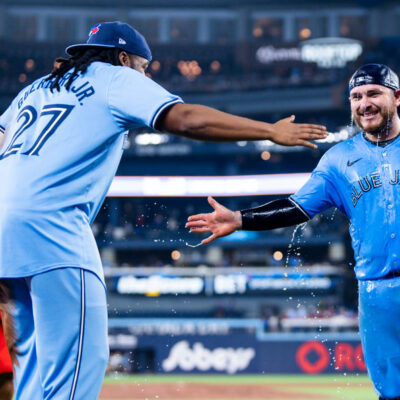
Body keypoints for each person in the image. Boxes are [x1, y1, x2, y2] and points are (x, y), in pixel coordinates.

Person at [0, 21, 327, 399]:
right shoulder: (113, 77)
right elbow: (185, 118)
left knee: (33, 368)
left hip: (5, 232)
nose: (144, 76)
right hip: (51, 227)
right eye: (143, 67)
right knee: (80, 363)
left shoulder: (35, 89)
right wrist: (268, 130)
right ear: (123, 57)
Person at [186, 63, 400, 400]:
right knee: (390, 391)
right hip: (376, 291)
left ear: (396, 97)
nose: (364, 103)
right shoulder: (338, 160)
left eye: (373, 93)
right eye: (356, 97)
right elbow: (296, 207)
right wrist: (240, 219)